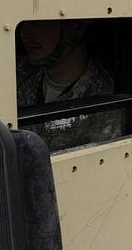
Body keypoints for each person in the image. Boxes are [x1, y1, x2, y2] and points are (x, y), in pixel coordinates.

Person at [17, 19, 122, 151]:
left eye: (37, 23)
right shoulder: (16, 72)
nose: (24, 33)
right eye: (23, 24)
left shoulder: (105, 100)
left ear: (76, 26)